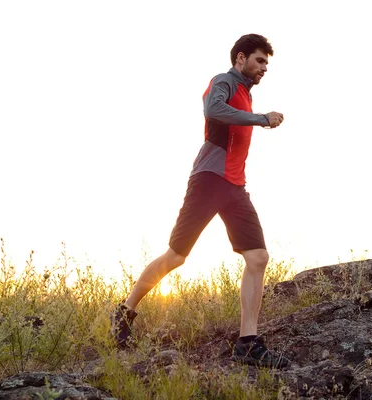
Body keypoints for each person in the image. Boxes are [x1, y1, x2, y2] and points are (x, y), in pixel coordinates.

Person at [110, 33, 290, 369]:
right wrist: (261, 118)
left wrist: (255, 115)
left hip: (235, 187)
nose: (264, 67)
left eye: (267, 62)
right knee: (176, 256)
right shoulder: (224, 81)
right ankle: (124, 312)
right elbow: (213, 109)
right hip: (208, 181)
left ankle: (248, 343)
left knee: (258, 257)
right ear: (240, 59)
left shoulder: (247, 95)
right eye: (259, 60)